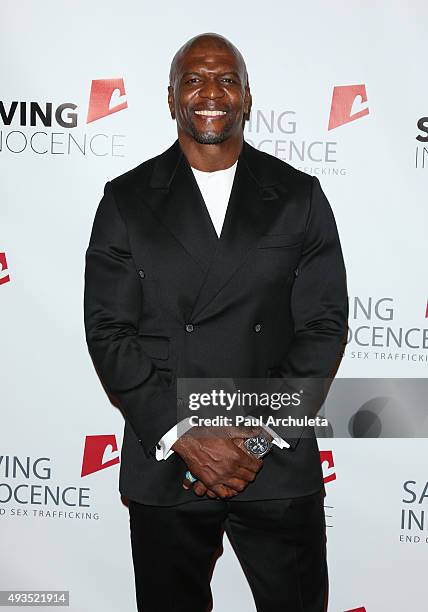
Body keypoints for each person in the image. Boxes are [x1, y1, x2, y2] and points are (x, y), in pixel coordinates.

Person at [84, 32, 348, 612]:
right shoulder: (126, 200)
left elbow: (324, 326)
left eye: (227, 79)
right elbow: (108, 333)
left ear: (247, 97)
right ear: (172, 96)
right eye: (195, 78)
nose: (211, 92)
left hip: (273, 459)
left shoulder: (298, 198)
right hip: (170, 460)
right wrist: (188, 436)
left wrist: (250, 438)